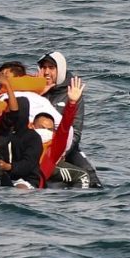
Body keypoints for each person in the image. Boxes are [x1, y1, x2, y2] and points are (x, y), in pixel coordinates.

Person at [38, 51, 101, 185]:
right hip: (37, 146)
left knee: (90, 174)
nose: (46, 72)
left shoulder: (73, 92)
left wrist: (62, 152)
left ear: (60, 70)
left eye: (51, 68)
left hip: (65, 148)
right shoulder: (34, 91)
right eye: (43, 67)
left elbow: (76, 131)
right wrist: (37, 92)